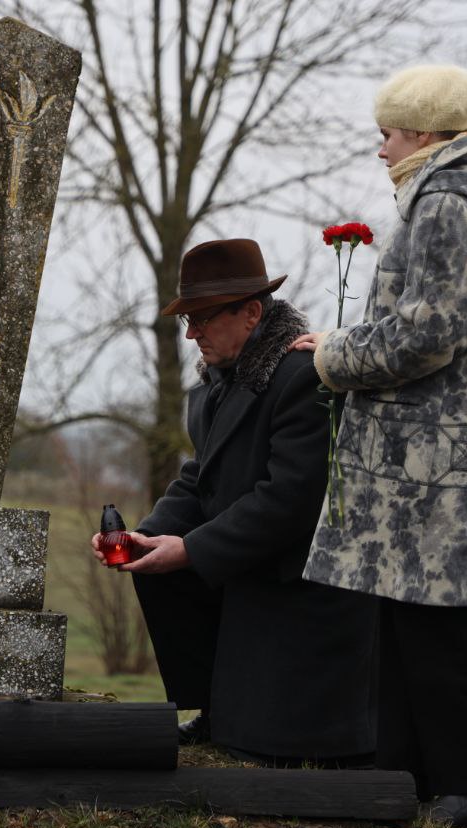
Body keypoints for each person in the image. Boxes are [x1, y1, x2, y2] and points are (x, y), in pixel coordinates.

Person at [291, 65, 467, 828]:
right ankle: (420, 775)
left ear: (425, 135)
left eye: (387, 134)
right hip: (431, 451)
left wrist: (337, 353)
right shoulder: (447, 200)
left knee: (451, 617)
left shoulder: (447, 206)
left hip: (439, 455)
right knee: (414, 614)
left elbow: (432, 330)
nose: (380, 148)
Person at [92, 239, 378, 767]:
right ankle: (215, 706)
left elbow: (290, 499)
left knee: (264, 747)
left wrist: (193, 550)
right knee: (160, 566)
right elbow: (202, 476)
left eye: (201, 318)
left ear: (251, 313)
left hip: (302, 580)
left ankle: (264, 721)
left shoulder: (305, 377)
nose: (191, 333)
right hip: (251, 560)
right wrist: (148, 537)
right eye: (187, 320)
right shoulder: (212, 388)